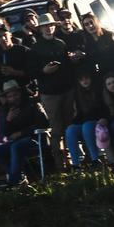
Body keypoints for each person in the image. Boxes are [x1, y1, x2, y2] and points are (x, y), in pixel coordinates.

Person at [29, 13, 75, 170]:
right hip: (49, 92)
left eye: (51, 25)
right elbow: (32, 72)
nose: (49, 28)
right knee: (56, 128)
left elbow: (68, 66)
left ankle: (73, 159)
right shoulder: (35, 49)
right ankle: (59, 163)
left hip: (67, 88)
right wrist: (43, 71)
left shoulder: (61, 44)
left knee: (69, 125)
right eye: (45, 26)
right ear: (40, 29)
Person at [0, 80, 48, 186]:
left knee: (15, 147)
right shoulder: (6, 109)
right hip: (16, 141)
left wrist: (21, 133)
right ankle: (18, 176)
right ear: (7, 98)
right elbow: (5, 133)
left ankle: (13, 182)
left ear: (20, 93)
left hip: (34, 139)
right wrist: (8, 120)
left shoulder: (32, 103)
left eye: (15, 94)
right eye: (10, 96)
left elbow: (44, 123)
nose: (13, 98)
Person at [65, 68, 108, 168]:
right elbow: (80, 113)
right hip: (84, 120)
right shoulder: (77, 93)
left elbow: (105, 107)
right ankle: (75, 164)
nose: (84, 81)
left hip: (98, 120)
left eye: (86, 78)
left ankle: (95, 159)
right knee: (70, 130)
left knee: (87, 126)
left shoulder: (99, 90)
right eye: (81, 79)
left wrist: (104, 117)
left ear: (91, 79)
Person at [0, 27, 30, 102]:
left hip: (26, 91)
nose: (3, 38)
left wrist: (14, 72)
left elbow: (32, 72)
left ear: (10, 35)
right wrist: (0, 95)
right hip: (7, 96)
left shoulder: (23, 51)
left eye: (5, 35)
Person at [81, 13, 114, 81]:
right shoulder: (87, 43)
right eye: (86, 24)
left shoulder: (110, 36)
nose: (90, 26)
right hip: (103, 77)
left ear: (97, 22)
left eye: (92, 22)